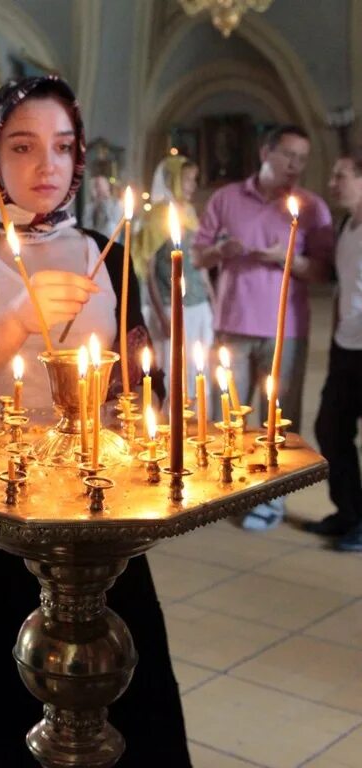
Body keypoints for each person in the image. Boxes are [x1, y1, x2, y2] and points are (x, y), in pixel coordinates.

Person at [0, 75, 189, 768]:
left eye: (62, 148)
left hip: (98, 522)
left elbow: (140, 392)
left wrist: (142, 390)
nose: (46, 167)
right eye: (23, 146)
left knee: (119, 695)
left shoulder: (109, 252)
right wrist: (8, 327)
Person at [193, 125, 334, 530]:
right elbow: (198, 255)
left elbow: (323, 271)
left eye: (302, 159)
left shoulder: (312, 207)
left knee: (278, 416)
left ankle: (272, 495)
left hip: (285, 328)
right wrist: (221, 250)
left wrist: (285, 257)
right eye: (288, 155)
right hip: (233, 322)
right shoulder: (227, 198)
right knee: (227, 413)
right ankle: (228, 488)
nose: (295, 165)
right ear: (265, 152)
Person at [307, 148, 362, 551]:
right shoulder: (347, 225)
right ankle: (349, 512)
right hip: (346, 345)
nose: (332, 183)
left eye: (341, 175)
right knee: (330, 428)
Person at [139, 155, 214, 394]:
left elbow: (197, 259)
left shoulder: (189, 210)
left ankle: (198, 423)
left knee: (199, 369)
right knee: (175, 371)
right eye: (187, 180)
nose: (192, 186)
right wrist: (161, 313)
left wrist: (212, 296)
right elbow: (147, 268)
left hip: (198, 302)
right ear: (172, 181)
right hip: (170, 305)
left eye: (194, 180)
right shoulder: (159, 215)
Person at [81, 173, 124, 241]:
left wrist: (105, 202)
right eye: (95, 185)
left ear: (107, 186)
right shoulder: (90, 207)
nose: (98, 188)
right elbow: (86, 227)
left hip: (111, 241)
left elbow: (114, 222)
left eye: (99, 185)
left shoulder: (116, 203)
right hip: (95, 241)